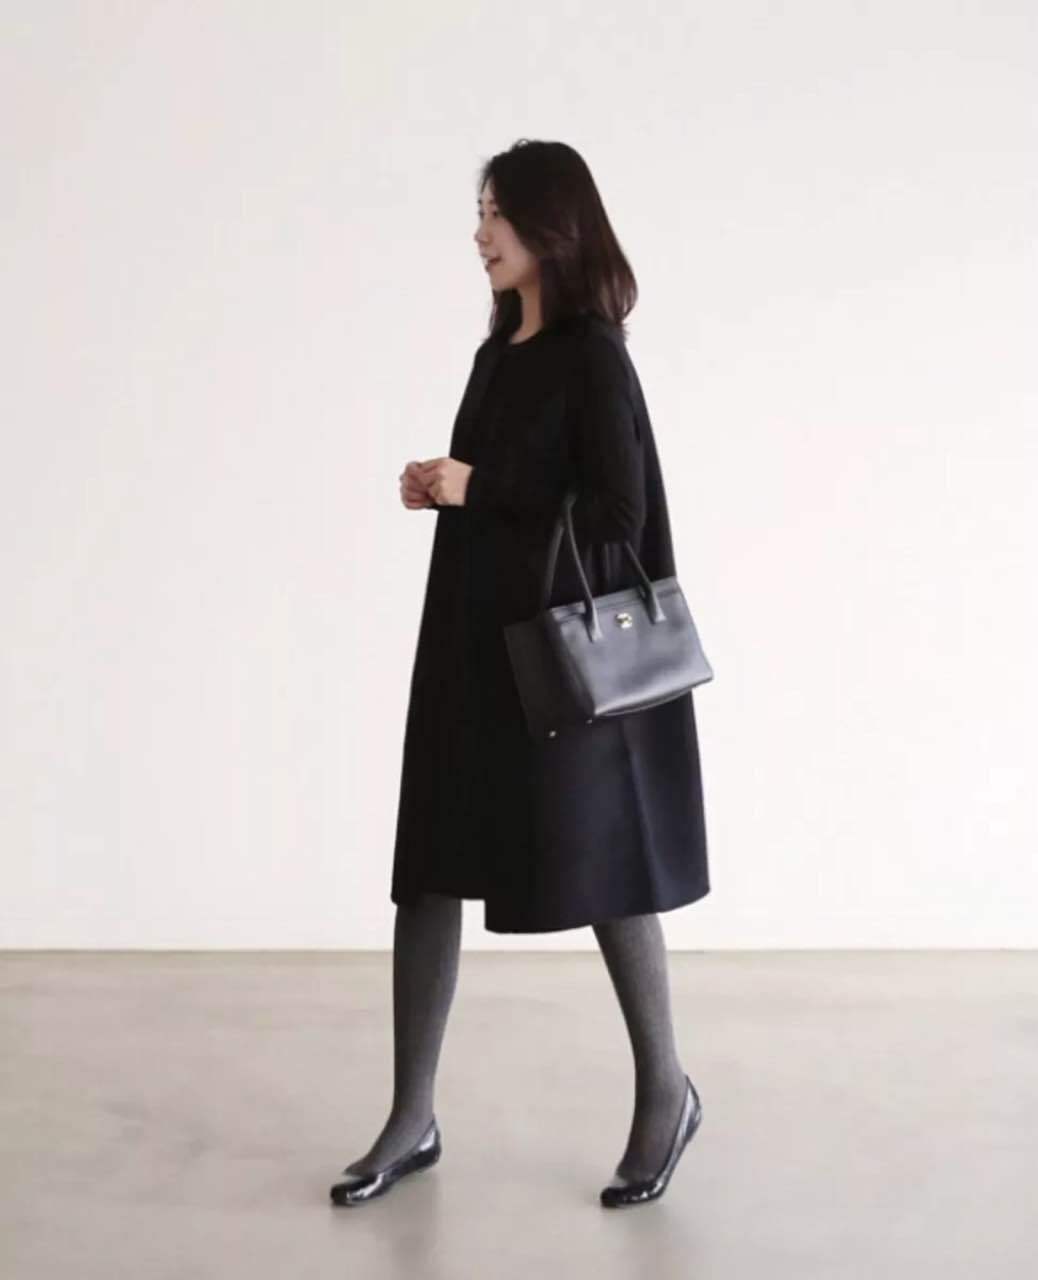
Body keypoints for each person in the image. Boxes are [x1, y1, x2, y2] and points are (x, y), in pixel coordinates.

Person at [330, 139, 710, 1209]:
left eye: (496, 212)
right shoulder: (498, 353)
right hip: (467, 647)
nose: (481, 232)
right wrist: (442, 486)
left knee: (608, 868)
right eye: (481, 211)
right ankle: (411, 1117)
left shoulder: (594, 357)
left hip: (554, 665)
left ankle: (666, 1091)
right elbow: (502, 493)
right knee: (429, 867)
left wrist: (481, 485)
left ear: (553, 223)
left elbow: (619, 516)